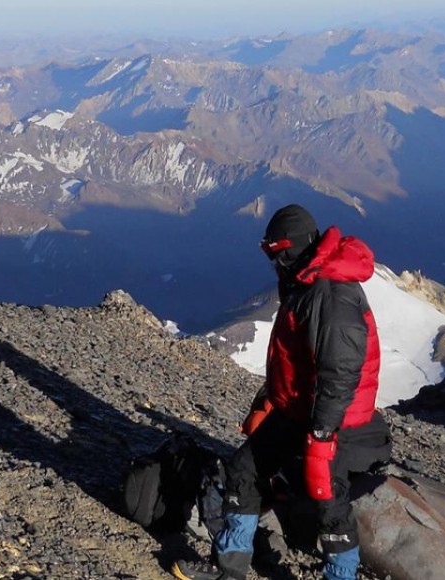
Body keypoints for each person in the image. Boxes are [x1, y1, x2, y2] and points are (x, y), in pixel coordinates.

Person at [173, 204, 388, 580]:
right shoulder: (305, 279)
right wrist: (274, 397)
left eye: (276, 250)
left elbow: (340, 373)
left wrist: (322, 435)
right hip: (299, 409)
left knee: (328, 497)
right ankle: (230, 569)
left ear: (295, 247)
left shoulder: (331, 295)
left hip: (331, 418)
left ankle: (341, 575)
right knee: (244, 470)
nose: (273, 260)